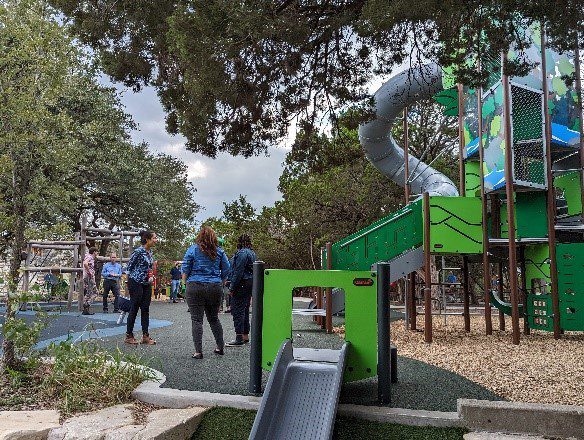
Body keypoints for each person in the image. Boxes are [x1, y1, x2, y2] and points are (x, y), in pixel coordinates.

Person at [182, 226, 230, 359]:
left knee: (196, 320)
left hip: (195, 285)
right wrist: (220, 280)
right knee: (214, 318)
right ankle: (220, 347)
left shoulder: (192, 249)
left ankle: (198, 352)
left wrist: (184, 284)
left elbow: (185, 268)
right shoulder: (219, 251)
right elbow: (227, 268)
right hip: (214, 286)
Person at [125, 230, 158, 345]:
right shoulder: (138, 251)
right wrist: (127, 281)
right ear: (147, 240)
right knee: (134, 307)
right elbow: (129, 266)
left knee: (145, 309)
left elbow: (148, 267)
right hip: (135, 282)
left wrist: (151, 276)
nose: (156, 240)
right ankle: (129, 336)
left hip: (146, 283)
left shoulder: (150, 252)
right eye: (154, 238)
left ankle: (145, 336)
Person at [226, 234, 256, 347]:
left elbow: (238, 272)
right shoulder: (252, 253)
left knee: (237, 310)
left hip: (242, 283)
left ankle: (238, 337)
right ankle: (245, 335)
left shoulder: (242, 253)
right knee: (245, 309)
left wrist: (232, 287)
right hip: (250, 283)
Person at [82, 247, 98, 315]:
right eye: (97, 252)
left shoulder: (87, 256)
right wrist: (89, 272)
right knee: (96, 293)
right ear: (94, 252)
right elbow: (85, 263)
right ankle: (87, 304)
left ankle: (86, 310)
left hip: (86, 277)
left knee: (88, 293)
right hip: (89, 277)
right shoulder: (90, 257)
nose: (97, 253)